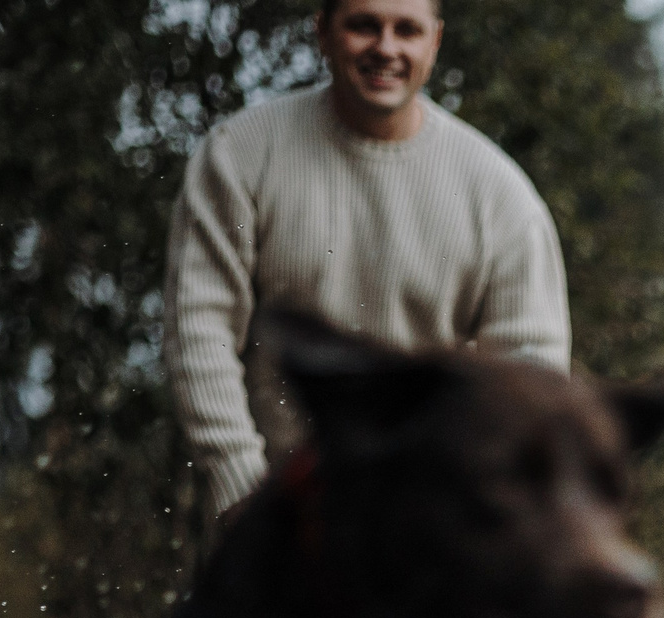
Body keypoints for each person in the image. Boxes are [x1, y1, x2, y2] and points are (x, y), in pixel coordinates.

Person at [163, 0, 571, 519]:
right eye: (363, 25)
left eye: (407, 30)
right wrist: (243, 488)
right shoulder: (240, 156)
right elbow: (201, 329)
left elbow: (529, 380)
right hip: (270, 507)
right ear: (323, 33)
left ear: (435, 42)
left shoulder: (501, 198)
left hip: (428, 531)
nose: (386, 48)